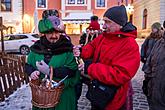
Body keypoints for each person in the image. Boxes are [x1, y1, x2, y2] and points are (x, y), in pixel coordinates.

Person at [73, 5, 140, 110]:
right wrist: (81, 51)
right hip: (98, 91)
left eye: (107, 22)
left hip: (114, 97)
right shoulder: (105, 36)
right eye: (103, 22)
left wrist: (90, 67)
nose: (103, 26)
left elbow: (120, 74)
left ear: (119, 24)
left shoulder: (130, 44)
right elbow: (92, 47)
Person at [25, 9, 80, 110]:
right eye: (50, 32)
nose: (54, 36)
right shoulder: (36, 48)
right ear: (44, 32)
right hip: (42, 99)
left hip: (64, 99)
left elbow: (73, 72)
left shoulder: (68, 49)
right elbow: (28, 65)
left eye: (56, 32)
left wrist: (50, 71)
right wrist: (32, 72)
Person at [143, 22, 165, 110]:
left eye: (154, 28)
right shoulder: (159, 41)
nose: (152, 30)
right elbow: (145, 47)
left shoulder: (160, 39)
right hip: (154, 88)